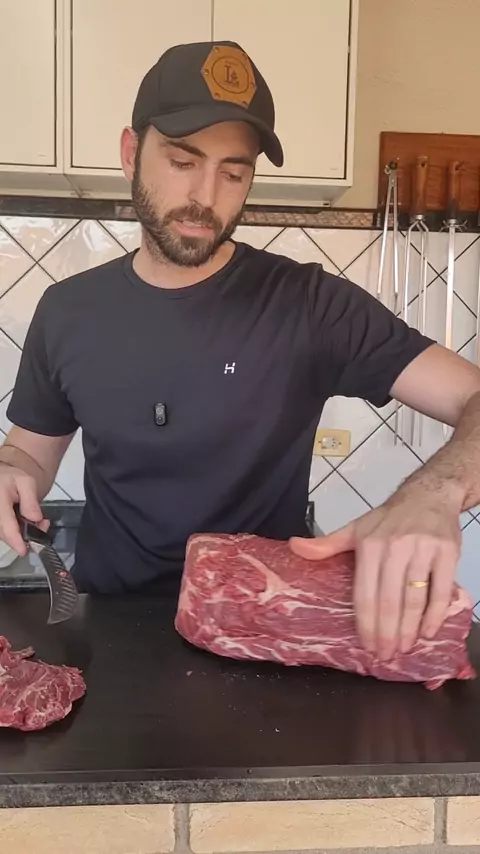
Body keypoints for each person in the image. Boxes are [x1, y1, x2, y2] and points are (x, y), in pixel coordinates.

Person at [1, 40, 480, 664]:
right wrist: (9, 470)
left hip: (263, 632)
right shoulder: (68, 311)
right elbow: (30, 455)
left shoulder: (311, 304)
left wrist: (434, 492)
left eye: (234, 172)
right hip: (111, 636)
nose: (206, 195)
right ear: (130, 153)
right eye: (182, 161)